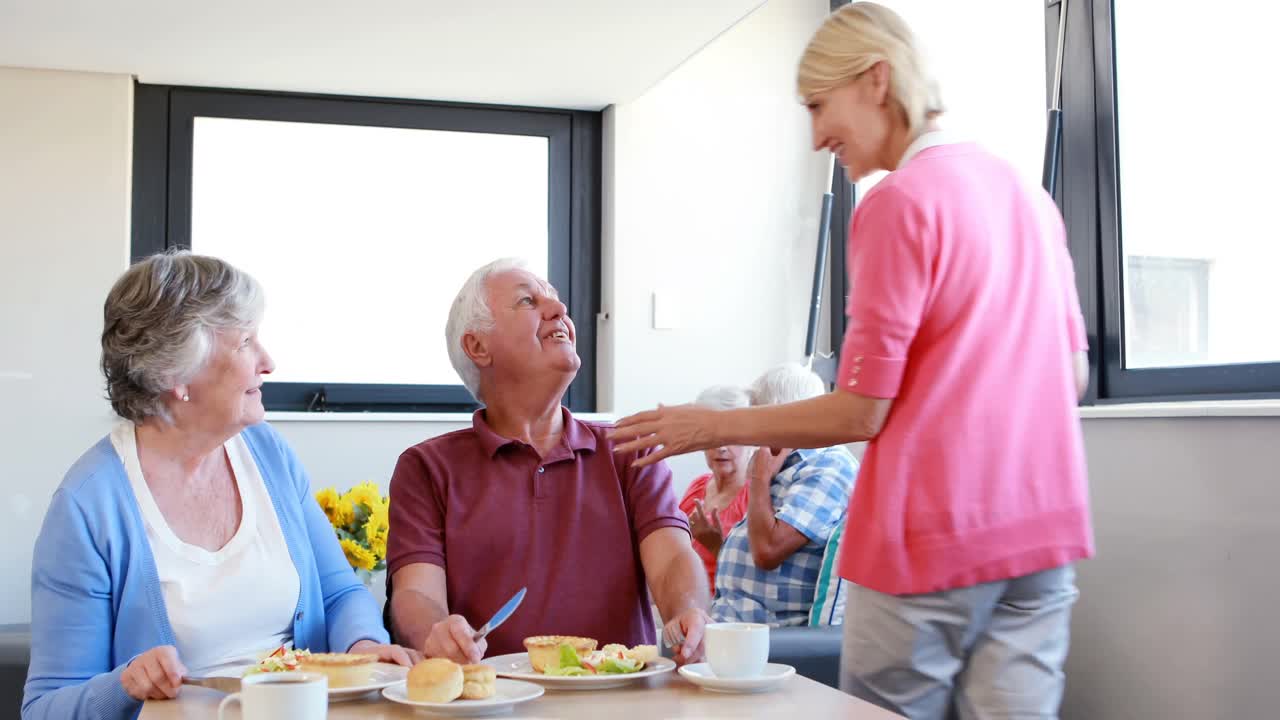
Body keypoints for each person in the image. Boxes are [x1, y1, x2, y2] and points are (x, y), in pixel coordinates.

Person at [609, 3, 1094, 718]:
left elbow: (862, 408)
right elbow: (1073, 378)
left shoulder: (899, 202)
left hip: (930, 536)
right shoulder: (1026, 194)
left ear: (874, 79)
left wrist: (709, 427)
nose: (814, 137)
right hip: (1042, 532)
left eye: (817, 105)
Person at [22, 251, 415, 720]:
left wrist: (363, 644)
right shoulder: (88, 507)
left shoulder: (268, 453)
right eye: (246, 341)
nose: (268, 362)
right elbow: (45, 707)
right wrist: (127, 684)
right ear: (176, 374)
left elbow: (337, 592)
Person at [386, 258, 709, 667]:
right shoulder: (426, 468)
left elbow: (673, 561)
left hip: (616, 699)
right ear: (478, 347)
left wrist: (686, 612)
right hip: (492, 703)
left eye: (557, 303)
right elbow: (417, 594)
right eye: (527, 301)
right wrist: (436, 632)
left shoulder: (631, 449)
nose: (559, 311)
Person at [710, 364, 856, 626]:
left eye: (759, 417)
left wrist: (758, 479)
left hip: (770, 638)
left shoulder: (828, 464)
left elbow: (767, 550)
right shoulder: (787, 464)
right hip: (734, 628)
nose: (752, 432)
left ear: (785, 414)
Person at [677, 385, 752, 594]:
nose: (721, 447)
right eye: (713, 435)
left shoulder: (756, 496)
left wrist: (716, 546)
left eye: (731, 436)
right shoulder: (697, 486)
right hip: (682, 600)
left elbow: (756, 581)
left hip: (723, 608)